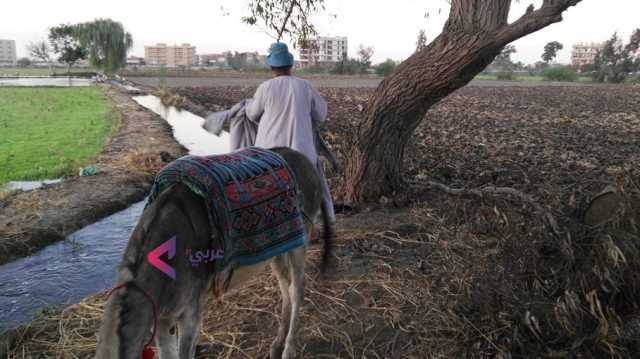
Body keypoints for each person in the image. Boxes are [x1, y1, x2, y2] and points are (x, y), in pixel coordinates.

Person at [245, 42, 335, 223]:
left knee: (270, 190)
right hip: (302, 148)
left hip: (271, 149)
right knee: (307, 190)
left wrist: (246, 106)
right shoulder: (305, 86)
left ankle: (272, 225)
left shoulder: (266, 88)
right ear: (291, 65)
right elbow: (321, 114)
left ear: (271, 66)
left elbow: (253, 114)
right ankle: (309, 226)